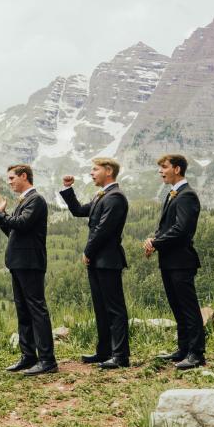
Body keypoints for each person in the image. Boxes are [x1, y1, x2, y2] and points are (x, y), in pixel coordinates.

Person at [0, 164, 57, 376]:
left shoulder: (36, 200)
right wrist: (0, 215)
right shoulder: (24, 201)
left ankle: (47, 360)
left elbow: (22, 224)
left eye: (12, 177)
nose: (9, 182)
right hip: (19, 262)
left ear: (24, 176)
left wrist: (0, 214)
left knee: (36, 309)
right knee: (23, 310)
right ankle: (28, 356)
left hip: (31, 262)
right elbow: (14, 231)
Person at [59, 158, 130, 369]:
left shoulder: (115, 197)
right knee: (101, 308)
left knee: (114, 309)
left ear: (108, 171)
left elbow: (104, 229)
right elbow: (79, 210)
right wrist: (68, 189)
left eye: (95, 169)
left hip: (108, 260)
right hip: (98, 261)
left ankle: (120, 356)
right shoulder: (102, 196)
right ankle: (104, 351)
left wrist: (87, 251)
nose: (91, 173)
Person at [144, 154, 205, 370]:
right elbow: (168, 227)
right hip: (169, 261)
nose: (161, 171)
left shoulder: (187, 195)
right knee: (177, 307)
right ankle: (183, 349)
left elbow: (182, 230)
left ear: (177, 169)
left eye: (164, 167)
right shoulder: (173, 194)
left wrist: (156, 242)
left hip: (182, 262)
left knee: (188, 308)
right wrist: (154, 239)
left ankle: (197, 354)